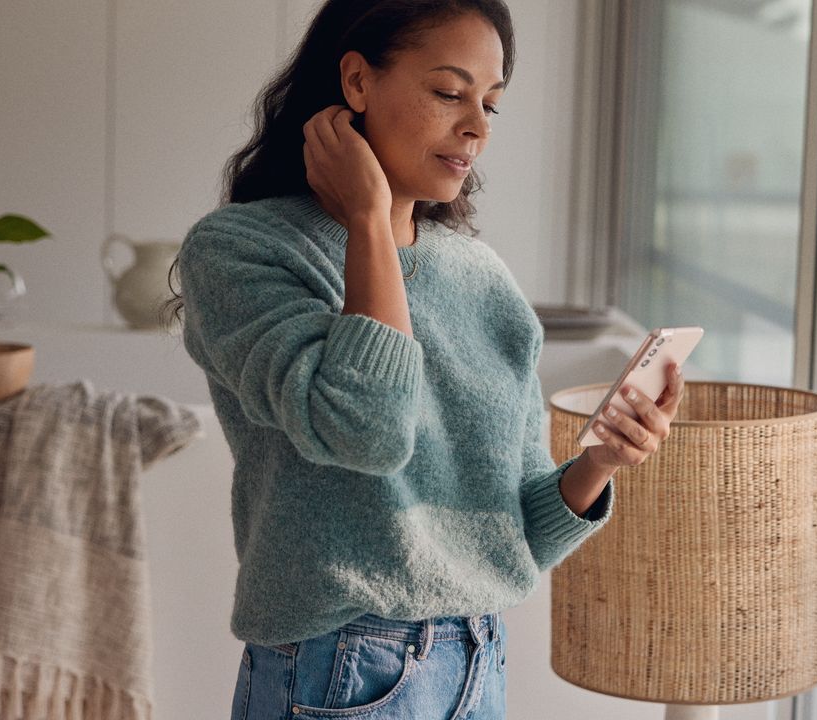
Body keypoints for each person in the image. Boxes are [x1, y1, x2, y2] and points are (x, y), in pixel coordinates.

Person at [163, 1, 684, 717]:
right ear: (356, 81)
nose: (475, 126)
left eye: (491, 104)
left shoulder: (481, 278)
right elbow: (365, 431)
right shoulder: (240, 250)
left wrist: (601, 462)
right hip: (341, 667)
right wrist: (369, 220)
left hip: (478, 660)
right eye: (449, 92)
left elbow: (517, 534)